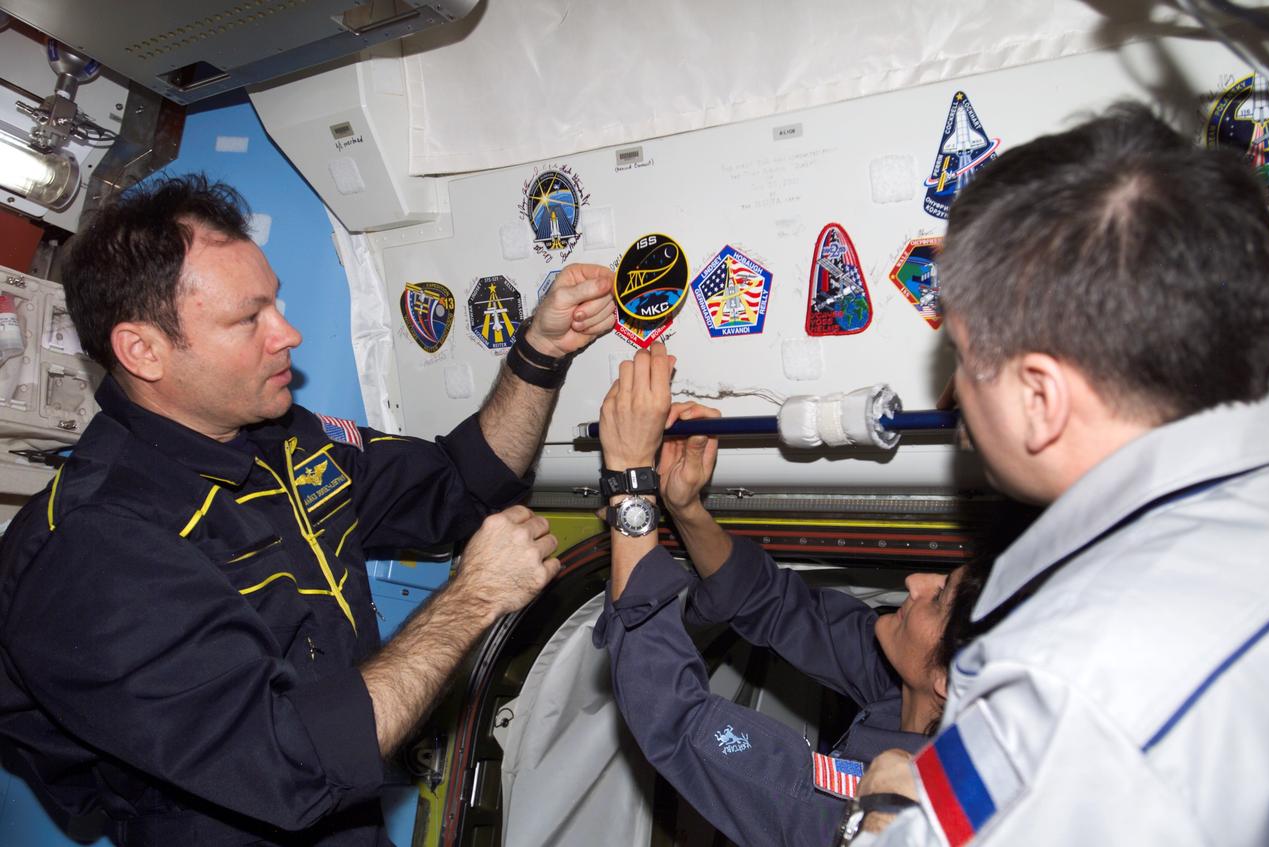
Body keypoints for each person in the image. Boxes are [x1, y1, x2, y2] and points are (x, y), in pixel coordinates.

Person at [0, 175, 616, 846]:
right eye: (249, 318)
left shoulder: (282, 440)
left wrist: (540, 351)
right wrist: (472, 598)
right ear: (143, 350)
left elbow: (461, 484)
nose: (288, 333)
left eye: (278, 303)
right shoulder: (93, 550)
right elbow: (291, 763)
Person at [851, 104, 1269, 845]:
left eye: (959, 351)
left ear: (1040, 397)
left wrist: (884, 811)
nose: (952, 392)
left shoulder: (1055, 689)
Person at [591, 343, 992, 847]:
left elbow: (672, 713)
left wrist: (630, 480)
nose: (916, 582)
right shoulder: (903, 700)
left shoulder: (849, 809)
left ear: (945, 679)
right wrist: (685, 508)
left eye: (938, 598)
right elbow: (775, 603)